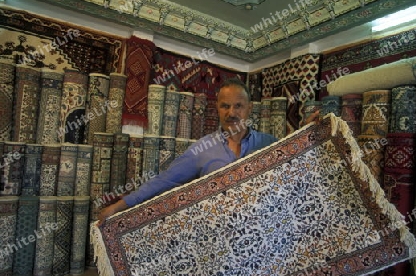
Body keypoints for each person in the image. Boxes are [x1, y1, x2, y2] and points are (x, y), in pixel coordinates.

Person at [97, 78, 319, 226]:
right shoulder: (202, 149)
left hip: (259, 234)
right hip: (216, 237)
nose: (231, 112)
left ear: (249, 108)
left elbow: (293, 160)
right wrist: (119, 206)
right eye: (225, 106)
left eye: (238, 106)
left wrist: (309, 133)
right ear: (217, 108)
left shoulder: (268, 144)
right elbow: (164, 181)